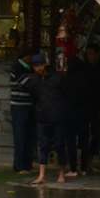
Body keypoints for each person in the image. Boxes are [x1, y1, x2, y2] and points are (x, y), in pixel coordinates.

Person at [30, 54, 69, 185]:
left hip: (58, 116)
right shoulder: (34, 80)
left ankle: (61, 173)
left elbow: (65, 95)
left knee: (59, 145)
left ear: (44, 64)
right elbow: (34, 97)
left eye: (39, 65)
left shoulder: (57, 78)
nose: (38, 68)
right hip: (42, 117)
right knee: (43, 145)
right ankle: (42, 175)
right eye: (35, 66)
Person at [78, 43, 100, 174]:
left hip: (98, 107)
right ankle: (83, 165)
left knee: (96, 134)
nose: (90, 56)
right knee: (83, 135)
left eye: (92, 53)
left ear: (98, 54)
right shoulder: (83, 68)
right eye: (88, 54)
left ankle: (90, 162)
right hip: (84, 107)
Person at [9, 52, 36, 173]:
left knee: (29, 136)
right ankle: (19, 165)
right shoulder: (17, 68)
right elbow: (27, 84)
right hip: (19, 106)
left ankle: (27, 164)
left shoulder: (29, 68)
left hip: (29, 106)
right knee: (20, 136)